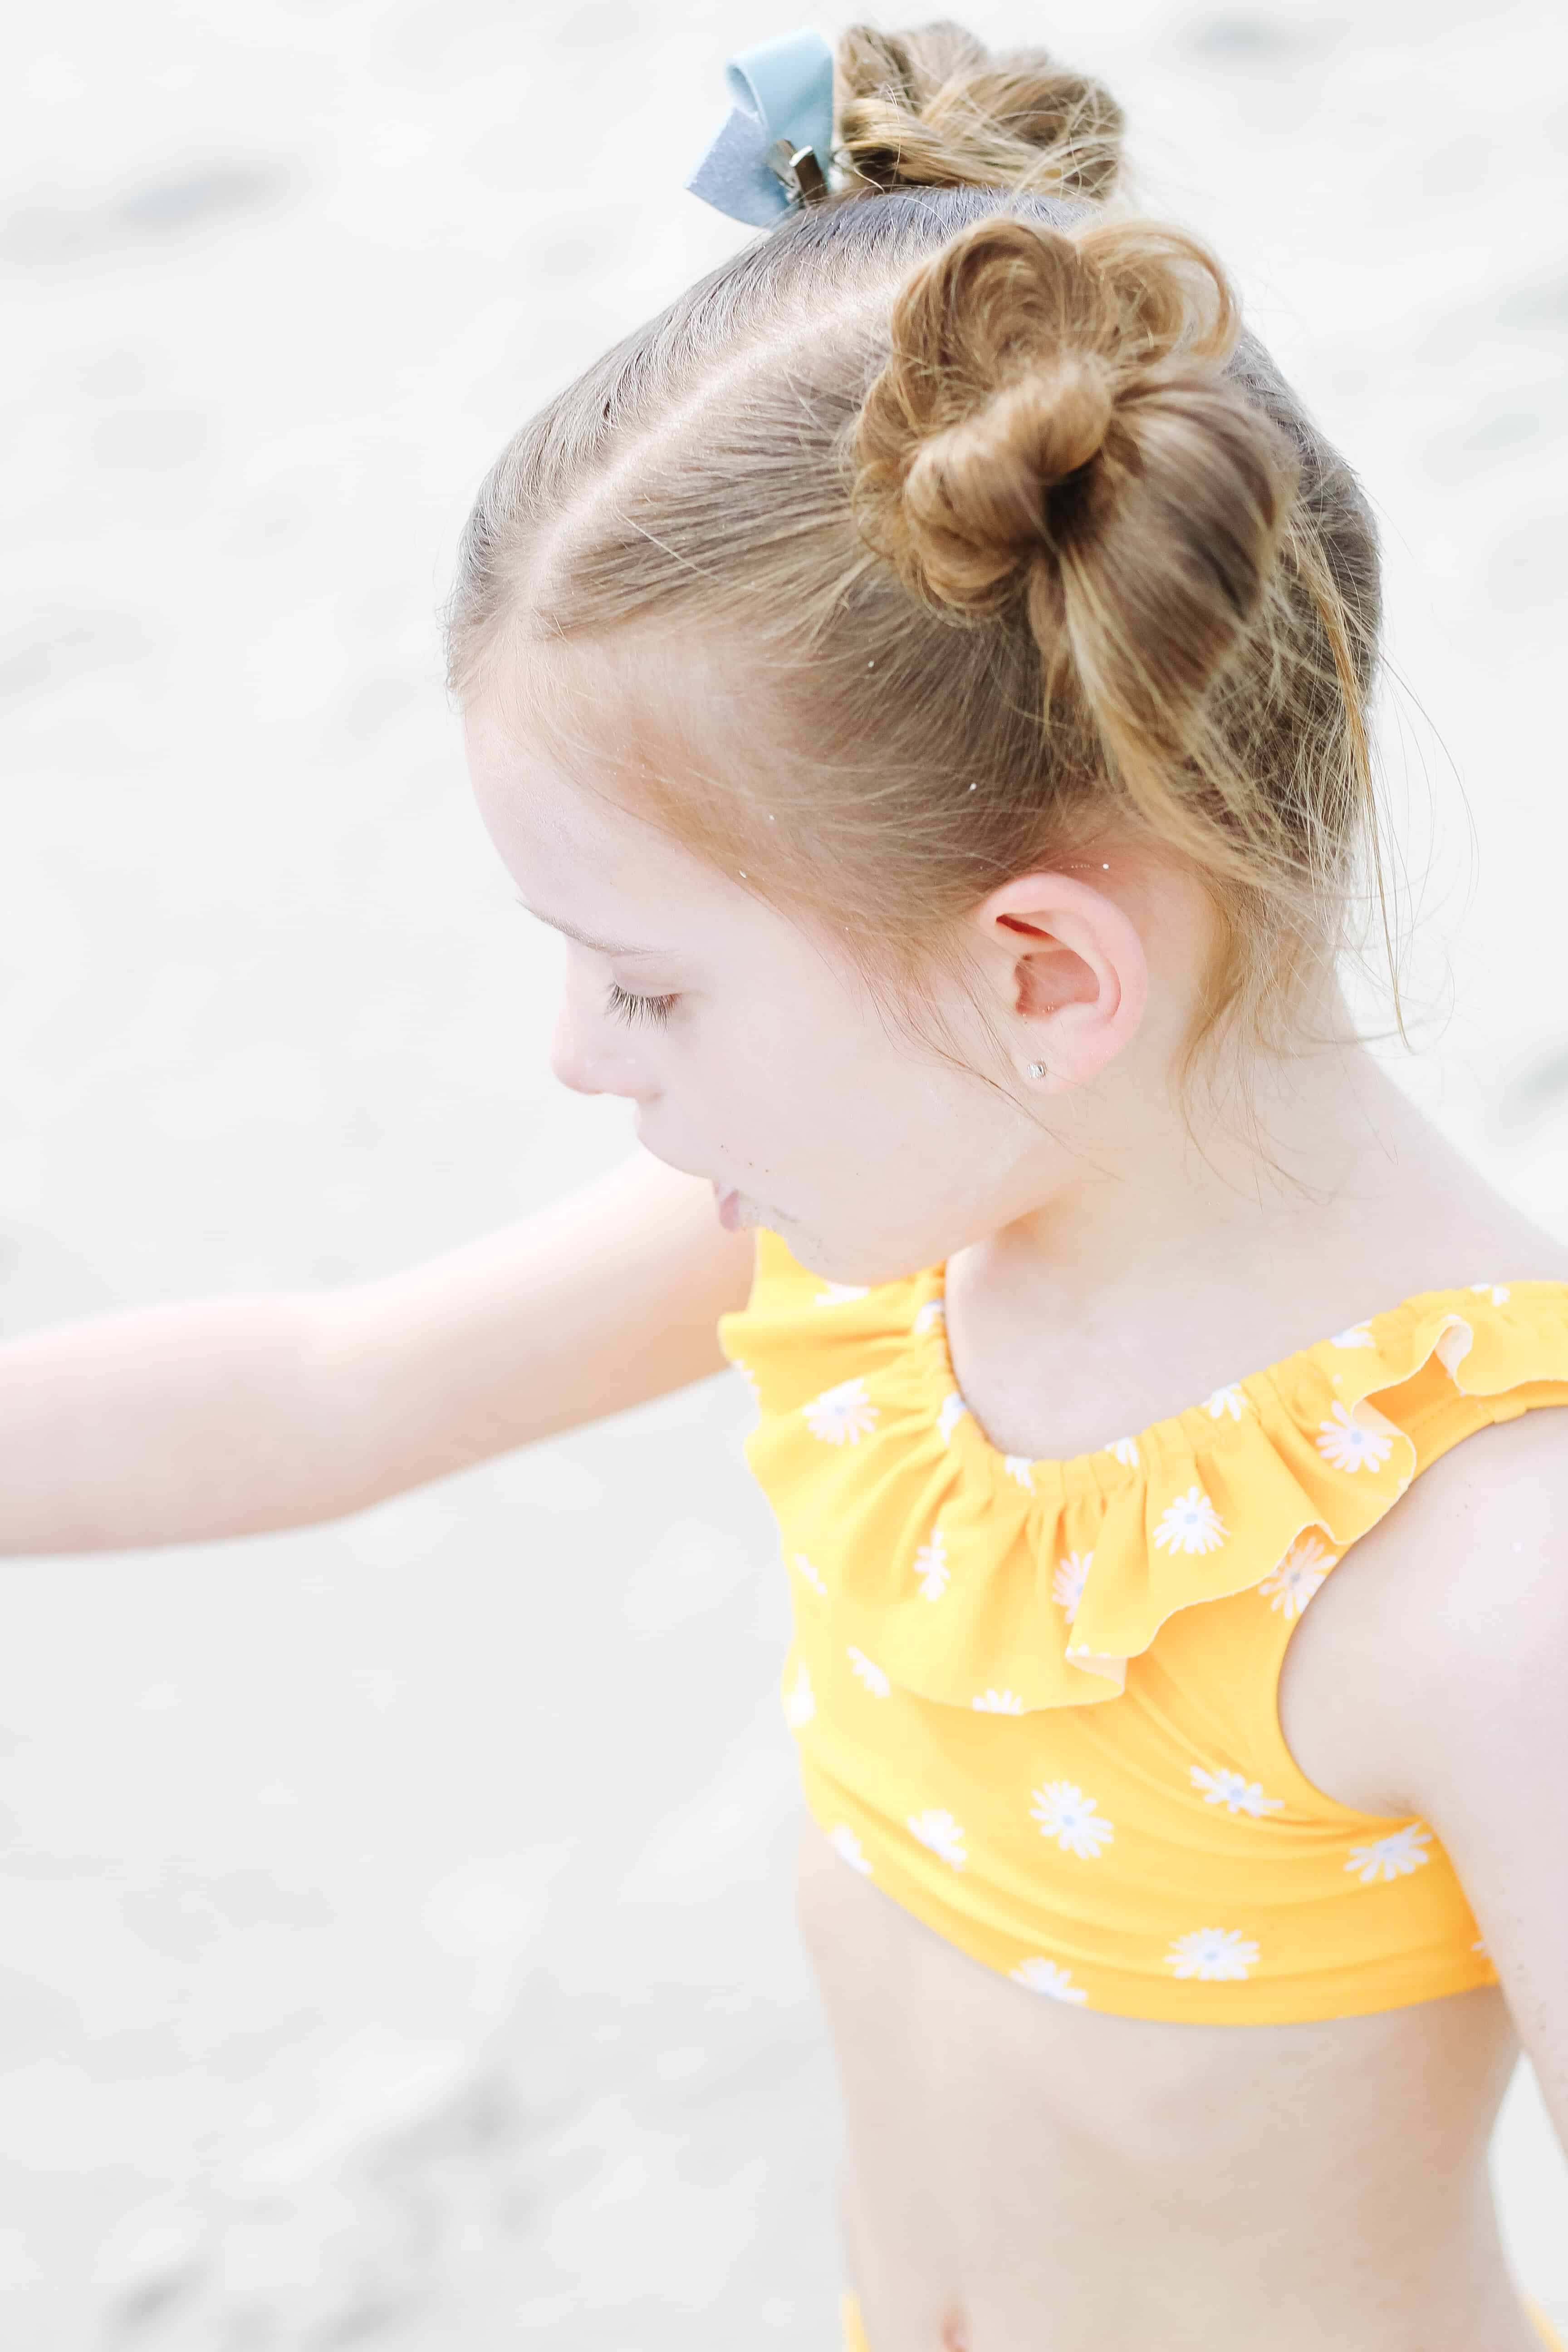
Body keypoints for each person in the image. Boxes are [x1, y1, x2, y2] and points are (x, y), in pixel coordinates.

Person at [3, 19, 1565, 2349]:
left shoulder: (1477, 1573)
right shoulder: (888, 1246)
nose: (576, 1057)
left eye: (645, 989)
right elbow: (329, 1394)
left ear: (1038, 976)